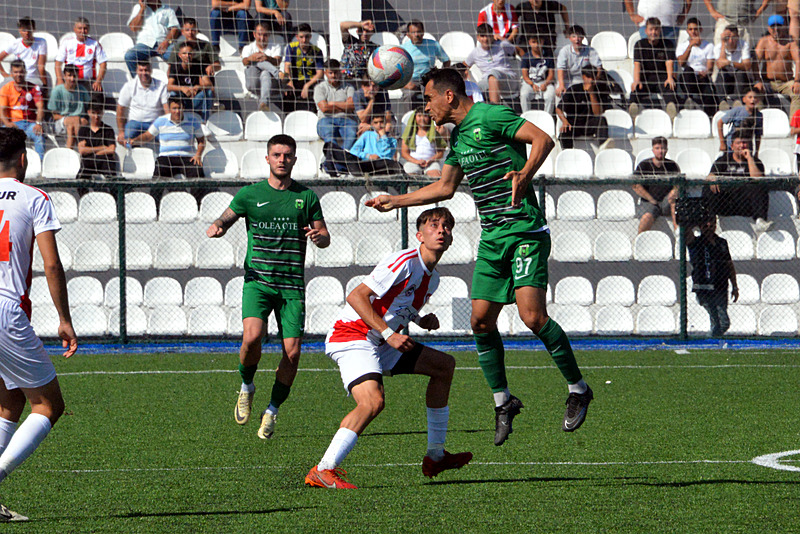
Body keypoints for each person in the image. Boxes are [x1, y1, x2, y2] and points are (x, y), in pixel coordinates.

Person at [366, 68, 593, 447]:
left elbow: (543, 139)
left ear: (449, 97)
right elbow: (445, 186)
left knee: (531, 316)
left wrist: (524, 172)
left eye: (428, 98)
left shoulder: (490, 115)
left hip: (523, 232)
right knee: (481, 322)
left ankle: (578, 388)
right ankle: (503, 402)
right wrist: (397, 200)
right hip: (493, 239)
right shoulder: (456, 139)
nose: (426, 107)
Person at [304, 207, 472, 490]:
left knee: (444, 366)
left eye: (447, 226)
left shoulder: (433, 277)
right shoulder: (404, 260)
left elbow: (397, 303)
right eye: (434, 225)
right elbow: (357, 296)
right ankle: (323, 469)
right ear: (419, 234)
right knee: (372, 402)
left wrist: (420, 319)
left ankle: (435, 456)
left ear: (452, 238)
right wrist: (389, 334)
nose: (441, 230)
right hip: (353, 334)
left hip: (381, 340)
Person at [205, 133, 330, 440]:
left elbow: (325, 236)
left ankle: (272, 410)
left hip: (291, 287)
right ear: (268, 158)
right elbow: (227, 217)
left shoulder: (307, 197)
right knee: (252, 338)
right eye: (277, 154)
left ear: (294, 159)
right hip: (258, 282)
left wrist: (319, 238)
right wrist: (218, 226)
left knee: (293, 352)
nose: (282, 159)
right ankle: (247, 386)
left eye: (287, 155)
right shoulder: (250, 194)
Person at [0, 127, 78, 523]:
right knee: (48, 405)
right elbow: (50, 263)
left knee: (8, 402)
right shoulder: (35, 198)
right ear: (24, 160)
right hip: (5, 309)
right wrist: (64, 319)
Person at [702, 130, 772, 232]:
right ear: (732, 146)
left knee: (758, 185)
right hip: (726, 202)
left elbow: (758, 178)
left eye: (745, 143)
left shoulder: (756, 162)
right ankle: (708, 220)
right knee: (709, 187)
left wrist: (749, 158)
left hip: (746, 204)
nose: (742, 146)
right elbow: (711, 174)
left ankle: (760, 221)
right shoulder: (723, 160)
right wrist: (712, 177)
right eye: (738, 143)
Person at [128, 97, 206, 184]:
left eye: (179, 108)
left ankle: (198, 197)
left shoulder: (193, 121)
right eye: (174, 108)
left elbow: (201, 141)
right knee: (158, 177)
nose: (177, 111)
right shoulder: (161, 121)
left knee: (197, 174)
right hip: (166, 157)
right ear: (169, 109)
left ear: (183, 108)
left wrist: (198, 155)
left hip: (187, 157)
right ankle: (154, 197)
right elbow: (147, 136)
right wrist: (134, 141)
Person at [686, 213, 738, 337]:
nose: (709, 225)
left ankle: (713, 341)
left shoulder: (722, 243)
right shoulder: (696, 242)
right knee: (720, 322)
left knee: (722, 322)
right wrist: (692, 221)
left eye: (711, 222)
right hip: (704, 287)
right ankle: (711, 341)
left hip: (720, 287)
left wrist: (735, 286)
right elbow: (686, 233)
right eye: (705, 223)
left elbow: (729, 265)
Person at [628, 17, 679, 119]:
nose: (653, 32)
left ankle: (671, 110)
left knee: (670, 86)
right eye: (651, 29)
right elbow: (637, 64)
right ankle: (632, 110)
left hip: (662, 78)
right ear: (646, 31)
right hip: (646, 79)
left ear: (660, 30)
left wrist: (669, 77)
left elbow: (669, 62)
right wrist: (636, 80)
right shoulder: (640, 45)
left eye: (656, 29)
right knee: (635, 89)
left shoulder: (667, 44)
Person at [554, 66, 612, 151]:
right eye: (588, 77)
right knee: (564, 132)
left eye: (593, 77)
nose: (591, 80)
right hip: (574, 124)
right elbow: (558, 109)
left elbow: (597, 113)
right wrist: (564, 121)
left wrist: (591, 92)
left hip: (588, 123)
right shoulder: (574, 89)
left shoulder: (598, 90)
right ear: (583, 77)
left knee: (601, 120)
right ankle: (566, 153)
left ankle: (603, 147)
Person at [400, 21, 451, 116]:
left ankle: (435, 118)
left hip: (428, 79)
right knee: (408, 95)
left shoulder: (433, 45)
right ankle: (408, 120)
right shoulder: (403, 49)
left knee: (435, 94)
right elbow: (397, 69)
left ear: (423, 32)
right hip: (411, 80)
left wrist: (441, 75)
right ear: (408, 35)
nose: (416, 35)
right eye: (413, 32)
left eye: (419, 32)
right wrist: (406, 83)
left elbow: (446, 60)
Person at [755, 15, 800, 118]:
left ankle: (793, 126)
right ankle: (758, 123)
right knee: (756, 92)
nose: (776, 30)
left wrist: (797, 81)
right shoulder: (764, 42)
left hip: (786, 82)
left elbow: (798, 61)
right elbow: (755, 61)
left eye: (779, 27)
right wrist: (758, 81)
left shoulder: (790, 42)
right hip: (768, 82)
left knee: (798, 92)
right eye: (773, 27)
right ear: (768, 28)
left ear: (784, 27)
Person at [632, 136, 680, 233]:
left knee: (674, 202)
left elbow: (679, 183)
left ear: (666, 150)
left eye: (663, 148)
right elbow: (635, 186)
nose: (660, 151)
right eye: (657, 148)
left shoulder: (672, 165)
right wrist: (651, 199)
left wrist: (674, 191)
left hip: (666, 201)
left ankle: (677, 231)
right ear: (653, 150)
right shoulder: (644, 165)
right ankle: (640, 239)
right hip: (649, 202)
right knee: (647, 217)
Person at [116, 61, 170, 145]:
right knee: (126, 138)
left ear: (151, 70)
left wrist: (168, 127)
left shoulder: (161, 86)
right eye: (141, 70)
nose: (144, 73)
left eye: (146, 70)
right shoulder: (129, 86)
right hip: (135, 123)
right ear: (137, 71)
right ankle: (131, 156)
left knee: (166, 138)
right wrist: (121, 131)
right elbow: (120, 109)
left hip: (155, 123)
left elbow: (167, 109)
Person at [0, 61, 45, 161]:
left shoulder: (34, 88)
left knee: (39, 136)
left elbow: (40, 106)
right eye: (15, 72)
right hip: (14, 124)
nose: (18, 75)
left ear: (25, 72)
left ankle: (40, 165)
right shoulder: (5, 89)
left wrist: (38, 123)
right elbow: (1, 110)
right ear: (11, 73)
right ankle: (8, 165)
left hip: (31, 124)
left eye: (21, 72)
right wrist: (8, 123)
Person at [466, 24, 521, 104]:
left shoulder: (502, 45)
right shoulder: (475, 53)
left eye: (488, 36)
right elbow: (463, 66)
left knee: (493, 74)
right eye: (482, 36)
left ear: (492, 36)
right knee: (474, 88)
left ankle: (494, 109)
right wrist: (465, 73)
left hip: (508, 80)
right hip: (488, 82)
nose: (485, 39)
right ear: (478, 38)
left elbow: (519, 52)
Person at [123, 0, 181, 76]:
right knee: (129, 56)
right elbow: (133, 28)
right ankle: (139, 83)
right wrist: (142, 10)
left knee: (179, 56)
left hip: (163, 43)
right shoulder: (138, 8)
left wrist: (167, 42)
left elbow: (175, 29)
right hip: (145, 44)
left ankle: (174, 82)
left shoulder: (168, 10)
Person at [54, 17, 108, 96]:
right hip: (70, 80)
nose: (82, 31)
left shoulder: (94, 44)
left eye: (85, 28)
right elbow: (58, 64)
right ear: (74, 29)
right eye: (80, 28)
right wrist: (59, 80)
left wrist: (98, 81)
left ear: (88, 29)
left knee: (97, 94)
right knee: (61, 94)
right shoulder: (67, 43)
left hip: (88, 81)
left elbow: (103, 63)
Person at [677, 18, 718, 116]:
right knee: (688, 70)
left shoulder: (708, 46)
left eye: (695, 29)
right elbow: (681, 63)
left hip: (702, 77)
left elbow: (710, 67)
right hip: (688, 77)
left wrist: (706, 72)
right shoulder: (682, 46)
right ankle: (689, 99)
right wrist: (690, 47)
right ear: (687, 31)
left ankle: (710, 115)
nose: (693, 32)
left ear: (700, 30)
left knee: (709, 92)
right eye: (690, 29)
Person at [314, 59, 358, 150]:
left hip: (346, 120)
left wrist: (332, 103)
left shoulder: (349, 87)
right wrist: (344, 106)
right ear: (325, 73)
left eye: (336, 72)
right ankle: (334, 157)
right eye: (331, 73)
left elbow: (352, 106)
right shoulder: (320, 88)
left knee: (352, 134)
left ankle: (341, 157)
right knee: (329, 136)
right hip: (326, 119)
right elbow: (325, 108)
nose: (334, 75)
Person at [281, 23, 324, 113]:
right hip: (295, 80)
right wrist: (290, 82)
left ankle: (314, 116)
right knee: (288, 92)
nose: (304, 40)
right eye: (301, 37)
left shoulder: (317, 51)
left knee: (316, 92)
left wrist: (307, 85)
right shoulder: (291, 48)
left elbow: (320, 73)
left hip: (311, 81)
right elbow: (287, 67)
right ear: (297, 37)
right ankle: (288, 117)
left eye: (307, 37)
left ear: (310, 37)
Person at [167, 42, 215, 120]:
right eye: (184, 53)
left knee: (208, 92)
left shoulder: (198, 65)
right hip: (182, 102)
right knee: (172, 94)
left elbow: (209, 84)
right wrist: (182, 88)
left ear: (193, 54)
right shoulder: (175, 66)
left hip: (195, 99)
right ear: (179, 55)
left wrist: (198, 87)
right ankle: (176, 119)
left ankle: (204, 121)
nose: (187, 56)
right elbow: (169, 86)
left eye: (189, 54)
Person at [243, 22, 284, 112]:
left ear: (269, 35)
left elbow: (277, 61)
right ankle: (278, 73)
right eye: (259, 35)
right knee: (256, 62)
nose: (262, 38)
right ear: (254, 34)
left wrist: (267, 58)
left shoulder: (276, 47)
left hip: (271, 84)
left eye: (265, 35)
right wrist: (252, 58)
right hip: (253, 83)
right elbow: (245, 62)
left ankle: (263, 103)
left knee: (265, 73)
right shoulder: (248, 48)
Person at [47, 65, 90, 150]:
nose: (72, 79)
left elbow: (89, 107)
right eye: (69, 75)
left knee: (72, 126)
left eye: (74, 76)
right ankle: (83, 148)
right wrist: (70, 118)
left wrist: (85, 119)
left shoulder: (82, 90)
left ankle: (69, 152)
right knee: (73, 121)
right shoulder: (57, 91)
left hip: (79, 121)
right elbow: (53, 115)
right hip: (60, 122)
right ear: (64, 76)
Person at [77, 99, 118, 181]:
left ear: (102, 113)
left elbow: (111, 149)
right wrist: (102, 148)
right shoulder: (84, 130)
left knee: (111, 176)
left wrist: (95, 154)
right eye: (93, 113)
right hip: (89, 162)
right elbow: (82, 150)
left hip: (105, 161)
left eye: (98, 113)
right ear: (88, 112)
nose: (96, 116)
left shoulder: (108, 129)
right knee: (80, 179)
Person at [555, 25, 602, 96]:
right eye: (574, 36)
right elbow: (560, 68)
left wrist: (594, 81)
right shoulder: (564, 51)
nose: (577, 39)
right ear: (570, 38)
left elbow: (598, 68)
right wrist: (561, 85)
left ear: (583, 38)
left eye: (579, 36)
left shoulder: (590, 50)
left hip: (584, 79)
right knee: (559, 91)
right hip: (568, 79)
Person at [0, 18, 47, 88]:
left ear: (34, 30)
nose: (27, 33)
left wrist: (45, 84)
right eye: (24, 30)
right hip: (15, 78)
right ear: (20, 31)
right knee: (3, 88)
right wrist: (6, 75)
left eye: (29, 30)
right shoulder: (15, 43)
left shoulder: (41, 42)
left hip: (32, 78)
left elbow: (41, 67)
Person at [401, 107, 447, 177]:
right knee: (411, 175)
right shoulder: (409, 134)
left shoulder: (434, 133)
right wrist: (417, 161)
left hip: (431, 162)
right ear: (415, 118)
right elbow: (404, 153)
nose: (422, 119)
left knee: (435, 175)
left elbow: (440, 152)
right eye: (419, 116)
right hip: (413, 162)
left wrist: (431, 160)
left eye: (425, 116)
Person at [714, 25, 753, 106]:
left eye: (733, 37)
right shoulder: (718, 47)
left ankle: (737, 101)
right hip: (727, 77)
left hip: (740, 76)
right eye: (728, 37)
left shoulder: (744, 45)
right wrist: (723, 43)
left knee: (740, 72)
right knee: (721, 73)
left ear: (738, 37)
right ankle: (722, 102)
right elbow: (720, 65)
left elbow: (747, 66)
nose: (731, 41)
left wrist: (730, 63)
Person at [704, 0, 771, 47]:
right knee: (720, 53)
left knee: (745, 56)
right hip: (725, 21)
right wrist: (712, 11)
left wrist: (758, 12)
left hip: (745, 23)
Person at [718, 87, 763, 154]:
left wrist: (756, 152)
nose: (753, 100)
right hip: (731, 147)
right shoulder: (737, 111)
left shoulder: (759, 116)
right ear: (744, 99)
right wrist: (722, 143)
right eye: (750, 97)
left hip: (747, 147)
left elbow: (758, 135)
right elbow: (720, 122)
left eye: (755, 97)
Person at [520, 33, 556, 113]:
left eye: (539, 42)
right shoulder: (526, 57)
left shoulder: (548, 56)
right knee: (524, 94)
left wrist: (545, 84)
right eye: (534, 42)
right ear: (529, 42)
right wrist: (532, 84)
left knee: (550, 95)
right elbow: (525, 76)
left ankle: (547, 117)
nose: (536, 45)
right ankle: (526, 117)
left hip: (545, 82)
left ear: (542, 42)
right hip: (530, 83)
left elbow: (551, 74)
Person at [624, 0, 692, 41]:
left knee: (670, 59)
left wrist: (684, 14)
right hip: (646, 25)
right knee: (648, 57)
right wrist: (632, 14)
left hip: (670, 25)